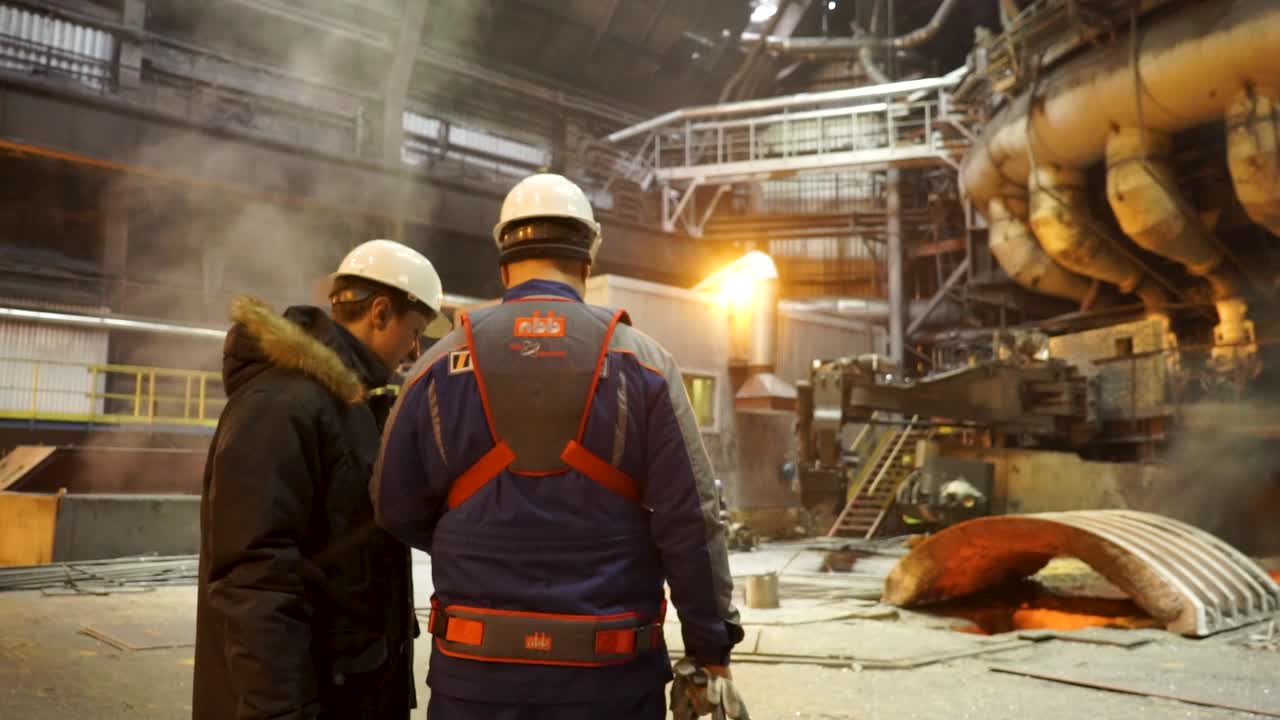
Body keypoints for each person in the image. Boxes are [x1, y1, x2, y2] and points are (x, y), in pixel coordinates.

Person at [373, 173, 746, 719]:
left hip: (475, 678)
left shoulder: (436, 368)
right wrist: (710, 650)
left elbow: (392, 505)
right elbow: (692, 518)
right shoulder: (642, 364)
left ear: (503, 265)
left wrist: (481, 535)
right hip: (609, 681)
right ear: (587, 264)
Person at [193, 239, 450, 720]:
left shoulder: (352, 404)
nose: (414, 351)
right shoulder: (281, 405)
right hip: (310, 701)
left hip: (349, 691)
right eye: (414, 331)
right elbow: (257, 583)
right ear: (378, 312)